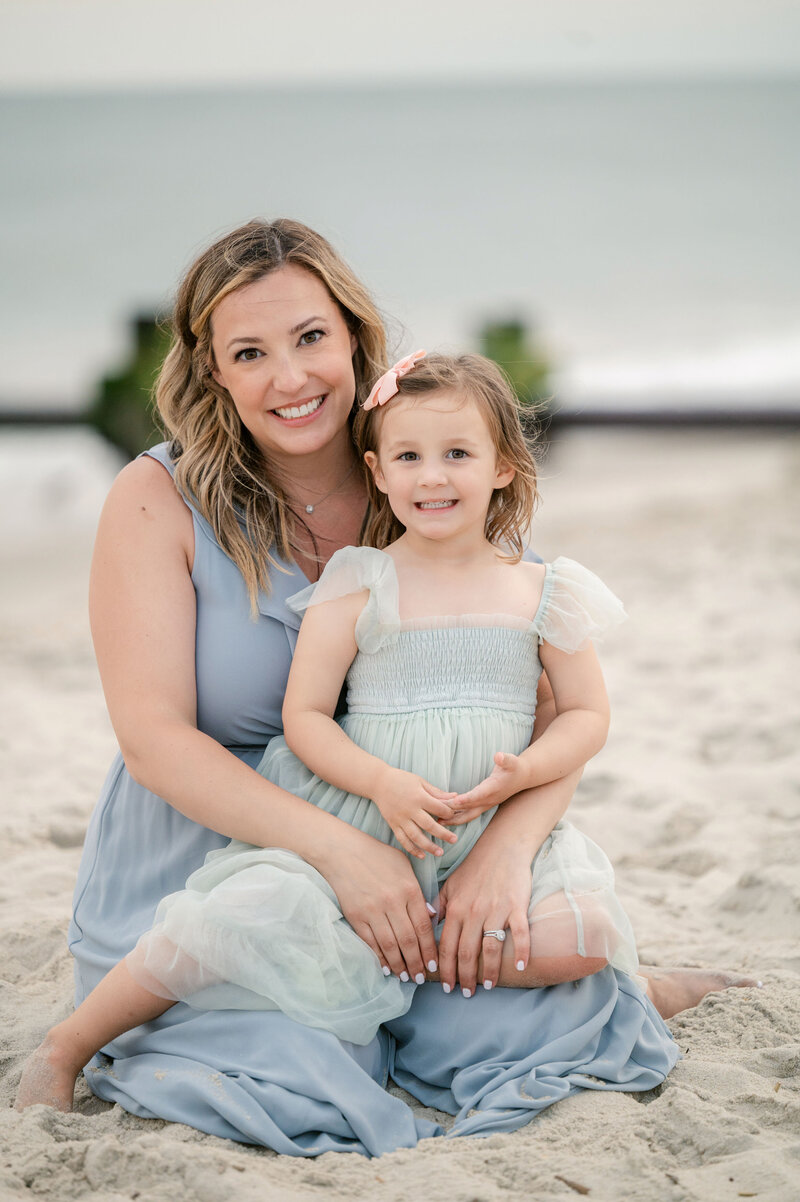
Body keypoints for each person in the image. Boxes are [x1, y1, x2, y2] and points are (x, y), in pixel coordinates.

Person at [16, 220, 752, 1153]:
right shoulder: (155, 498)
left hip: (413, 845)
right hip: (213, 842)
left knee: (506, 1013)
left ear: (356, 337)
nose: (291, 378)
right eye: (251, 352)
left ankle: (631, 986)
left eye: (311, 338)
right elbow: (154, 740)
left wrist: (506, 855)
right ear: (214, 372)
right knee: (299, 1066)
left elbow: (533, 711)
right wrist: (339, 853)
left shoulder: (426, 473)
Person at [18, 347, 641, 1087]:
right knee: (230, 923)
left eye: (457, 454)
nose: (432, 476)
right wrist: (380, 783)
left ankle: (421, 961)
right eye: (407, 456)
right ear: (377, 472)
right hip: (361, 819)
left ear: (504, 465)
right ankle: (68, 1045)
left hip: (476, 831)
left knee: (587, 939)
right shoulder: (360, 580)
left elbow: (583, 715)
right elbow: (306, 716)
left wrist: (526, 773)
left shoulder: (546, 588)